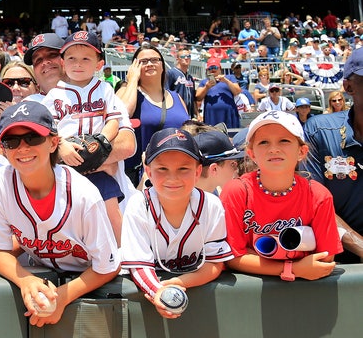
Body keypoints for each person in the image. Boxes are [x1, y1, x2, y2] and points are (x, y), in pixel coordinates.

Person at [0, 101, 119, 327]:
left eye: (33, 138)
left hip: (91, 283)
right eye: (12, 141)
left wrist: (62, 298)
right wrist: (26, 280)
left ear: (53, 143)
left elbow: (108, 265)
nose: (23, 148)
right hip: (43, 278)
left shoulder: (83, 194)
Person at [120, 128, 233, 319]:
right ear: (148, 171)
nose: (173, 178)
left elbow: (214, 264)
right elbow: (139, 266)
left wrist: (180, 283)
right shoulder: (139, 204)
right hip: (144, 303)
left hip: (188, 301)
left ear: (198, 171)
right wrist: (159, 293)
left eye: (183, 169)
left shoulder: (211, 205)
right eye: (162, 169)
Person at [221, 111, 341, 281]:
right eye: (263, 142)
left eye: (284, 141)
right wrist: (292, 268)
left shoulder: (319, 195)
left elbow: (325, 259)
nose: (274, 149)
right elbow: (233, 257)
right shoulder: (236, 191)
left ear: (302, 151)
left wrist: (253, 256)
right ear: (252, 153)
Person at [44, 32, 127, 237]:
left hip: (97, 161)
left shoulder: (105, 89)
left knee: (111, 209)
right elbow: (49, 129)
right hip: (67, 165)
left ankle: (124, 252)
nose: (78, 64)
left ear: (99, 65)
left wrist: (102, 142)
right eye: (71, 58)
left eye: (86, 58)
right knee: (69, 214)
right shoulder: (55, 94)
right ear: (62, 63)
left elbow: (113, 120)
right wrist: (61, 146)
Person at [303, 48, 363, 262]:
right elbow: (313, 202)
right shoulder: (319, 131)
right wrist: (361, 246)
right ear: (348, 87)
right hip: (335, 260)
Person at [117, 45, 189, 188]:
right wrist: (132, 80)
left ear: (162, 66)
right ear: (134, 66)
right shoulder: (125, 92)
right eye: (143, 61)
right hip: (141, 178)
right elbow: (123, 113)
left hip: (177, 174)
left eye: (154, 60)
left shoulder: (177, 97)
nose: (150, 63)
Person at [191, 128, 245, 195]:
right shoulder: (184, 202)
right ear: (214, 169)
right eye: (232, 164)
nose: (236, 169)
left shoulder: (211, 198)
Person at [196, 62, 242, 129]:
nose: (213, 70)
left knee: (231, 134)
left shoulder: (230, 77)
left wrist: (226, 81)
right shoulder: (204, 82)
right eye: (210, 68)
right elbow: (198, 97)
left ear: (220, 68)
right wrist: (206, 87)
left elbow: (237, 91)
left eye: (215, 67)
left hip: (228, 113)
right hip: (211, 114)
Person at [167, 48, 196, 118]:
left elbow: (193, 98)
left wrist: (196, 114)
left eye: (188, 56)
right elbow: (166, 93)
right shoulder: (171, 73)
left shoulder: (190, 77)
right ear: (177, 59)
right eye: (183, 56)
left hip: (189, 114)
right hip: (175, 113)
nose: (186, 58)